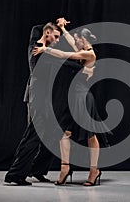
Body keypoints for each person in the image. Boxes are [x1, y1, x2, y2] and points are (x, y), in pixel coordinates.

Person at [4, 22, 90, 186]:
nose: (57, 40)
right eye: (55, 36)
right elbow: (65, 62)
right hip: (37, 99)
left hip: (45, 100)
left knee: (52, 136)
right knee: (33, 136)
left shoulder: (42, 44)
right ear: (47, 33)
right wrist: (82, 65)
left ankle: (37, 170)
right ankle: (14, 174)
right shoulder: (38, 50)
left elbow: (36, 29)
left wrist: (57, 26)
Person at [33, 24, 112, 186]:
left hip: (83, 97)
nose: (74, 42)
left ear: (83, 40)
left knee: (90, 135)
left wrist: (44, 50)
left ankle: (94, 170)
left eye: (77, 40)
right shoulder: (82, 49)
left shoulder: (89, 54)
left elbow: (62, 54)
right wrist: (63, 28)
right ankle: (65, 168)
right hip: (73, 97)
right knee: (64, 133)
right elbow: (70, 41)